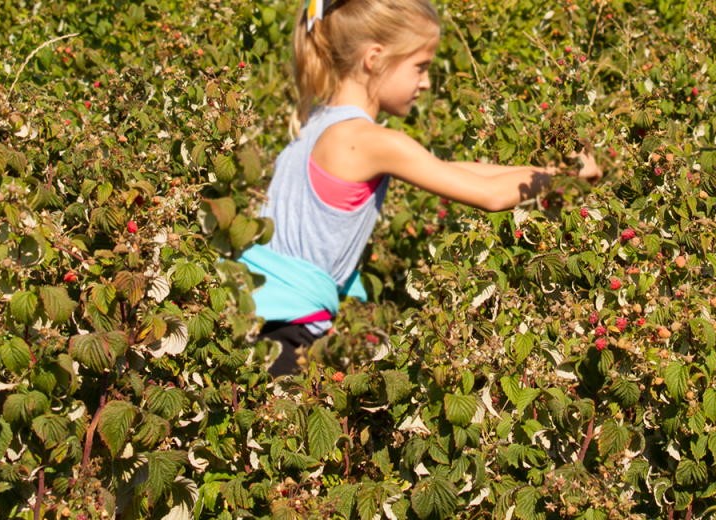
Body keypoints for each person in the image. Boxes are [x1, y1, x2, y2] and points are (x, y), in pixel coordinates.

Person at [242, 0, 603, 376]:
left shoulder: (319, 121)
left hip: (255, 315)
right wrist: (568, 178)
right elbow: (490, 196)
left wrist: (552, 170)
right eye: (420, 67)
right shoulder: (367, 139)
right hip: (286, 337)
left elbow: (449, 171)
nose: (427, 82)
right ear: (375, 58)